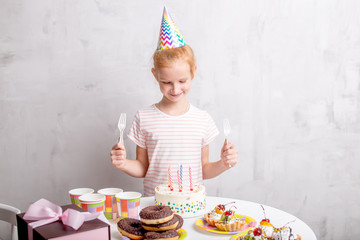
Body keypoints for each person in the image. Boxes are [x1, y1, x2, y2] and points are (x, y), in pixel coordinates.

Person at [110, 7, 238, 196]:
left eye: (182, 81)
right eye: (166, 82)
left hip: (191, 205)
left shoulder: (202, 119)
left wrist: (224, 163)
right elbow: (143, 167)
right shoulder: (144, 118)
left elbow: (204, 169)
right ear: (155, 75)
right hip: (154, 207)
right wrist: (123, 164)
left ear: (193, 72)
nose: (176, 89)